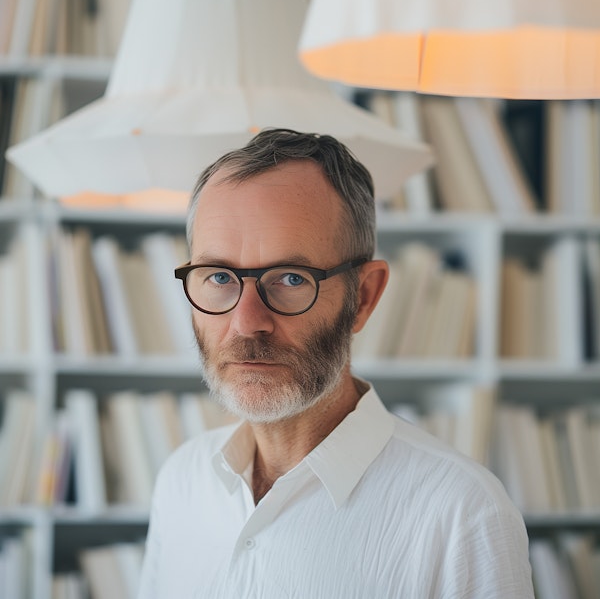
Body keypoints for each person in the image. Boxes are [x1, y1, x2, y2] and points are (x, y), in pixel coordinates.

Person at [138, 127, 534, 598]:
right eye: (219, 276)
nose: (247, 322)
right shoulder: (183, 481)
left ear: (363, 298)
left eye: (290, 278)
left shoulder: (461, 513)